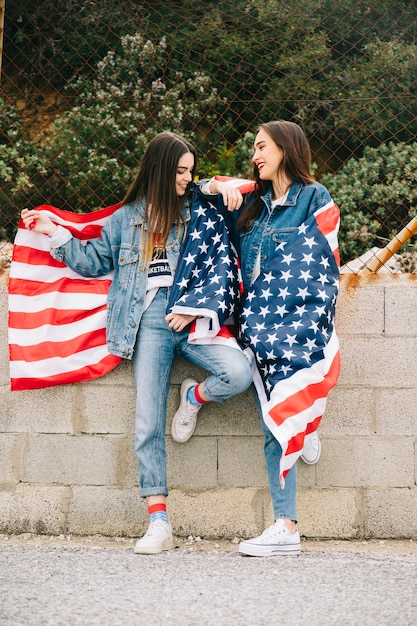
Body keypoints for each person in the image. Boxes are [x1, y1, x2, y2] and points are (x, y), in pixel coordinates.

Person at [21, 131, 253, 555]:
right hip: (148, 321)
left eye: (191, 171)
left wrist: (219, 186)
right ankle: (159, 520)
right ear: (162, 170)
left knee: (238, 373)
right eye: (180, 171)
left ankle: (195, 396)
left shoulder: (200, 209)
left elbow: (223, 250)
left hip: (196, 319)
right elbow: (92, 262)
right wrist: (54, 233)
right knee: (148, 420)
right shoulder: (125, 219)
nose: (187, 177)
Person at [195, 120, 340, 557]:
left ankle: (285, 525)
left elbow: (324, 263)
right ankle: (300, 431)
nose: (256, 155)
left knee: (277, 422)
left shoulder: (314, 198)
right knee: (275, 423)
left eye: (262, 147)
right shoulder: (250, 203)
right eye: (254, 149)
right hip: (256, 332)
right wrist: (228, 187)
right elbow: (194, 191)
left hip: (298, 329)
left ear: (286, 148)